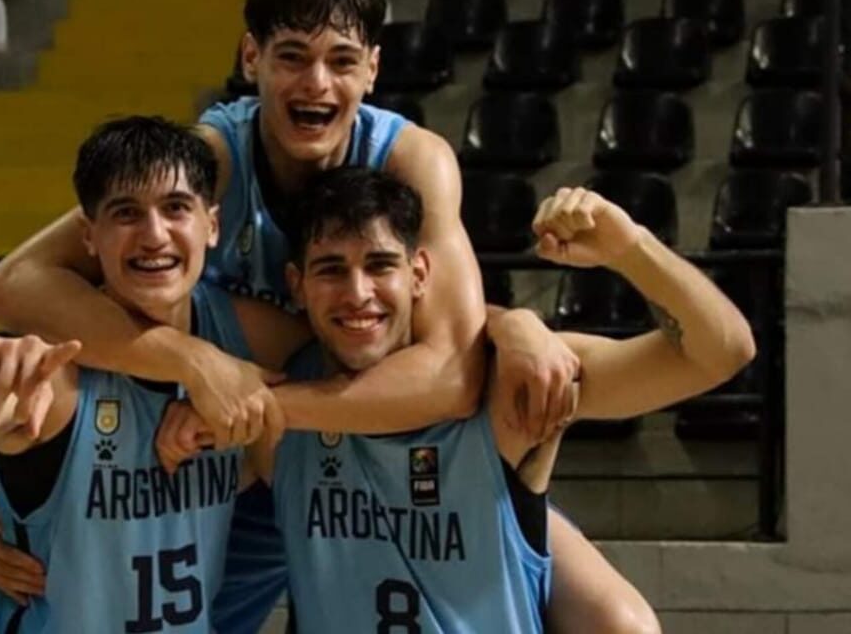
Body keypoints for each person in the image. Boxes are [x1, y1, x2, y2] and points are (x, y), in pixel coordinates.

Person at [0, 0, 651, 634]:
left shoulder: (413, 161)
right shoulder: (205, 164)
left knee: (620, 621)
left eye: (342, 60)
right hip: (235, 467)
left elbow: (449, 372)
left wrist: (512, 325)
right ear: (251, 58)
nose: (316, 82)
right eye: (292, 56)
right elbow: (13, 286)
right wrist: (189, 362)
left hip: (363, 440)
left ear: (374, 69)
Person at [161, 169, 755, 632]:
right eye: (331, 270)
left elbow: (719, 352)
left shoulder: (508, 384)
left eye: (381, 265)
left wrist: (631, 249)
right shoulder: (271, 399)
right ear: (296, 284)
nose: (358, 293)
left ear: (421, 273)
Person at [0, 116, 309, 632]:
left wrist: (228, 419)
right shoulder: (59, 362)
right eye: (126, 213)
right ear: (89, 235)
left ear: (212, 224)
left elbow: (337, 380)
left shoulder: (246, 333)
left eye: (176, 208)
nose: (154, 235)